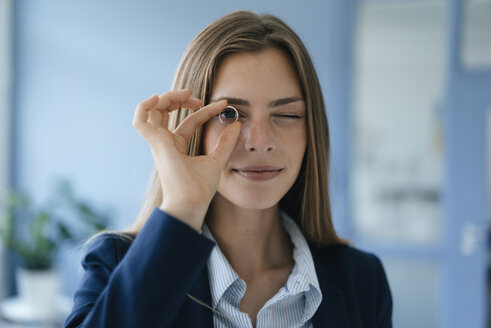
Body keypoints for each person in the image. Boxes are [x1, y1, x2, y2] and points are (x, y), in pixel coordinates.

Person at [64, 10, 392, 328]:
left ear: (312, 132)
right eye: (231, 114)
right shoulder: (115, 261)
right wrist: (183, 207)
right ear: (192, 126)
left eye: (288, 115)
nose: (259, 142)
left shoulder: (362, 281)